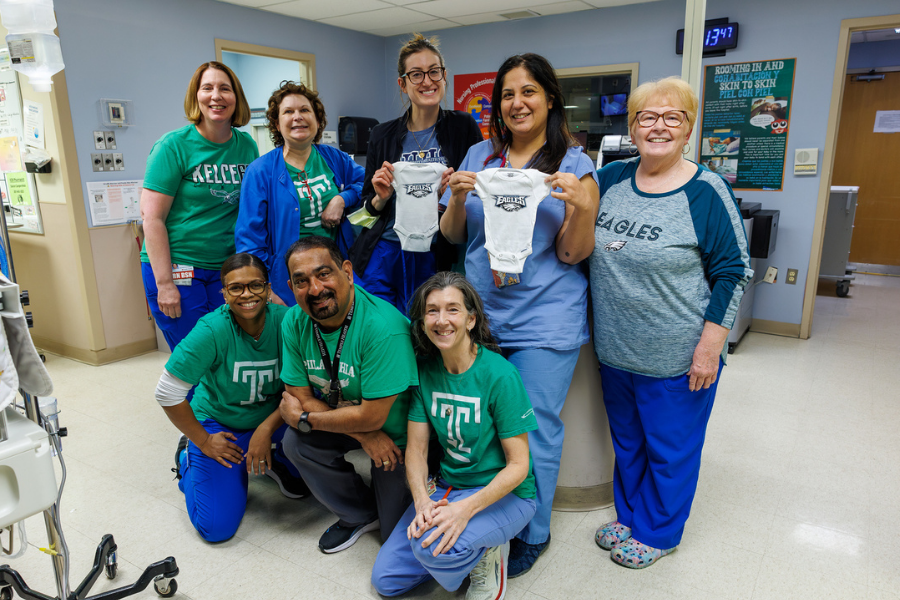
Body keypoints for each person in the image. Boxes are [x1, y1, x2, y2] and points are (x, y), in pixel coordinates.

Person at [440, 53, 599, 577]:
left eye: (529, 91)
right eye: (508, 94)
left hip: (544, 318)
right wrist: (458, 199)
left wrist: (583, 207)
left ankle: (535, 529)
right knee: (483, 424)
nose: (517, 102)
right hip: (480, 315)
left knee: (533, 430)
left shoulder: (574, 163)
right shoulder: (481, 155)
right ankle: (488, 514)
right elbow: (454, 236)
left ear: (550, 98)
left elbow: (574, 253)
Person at [589, 76, 753, 568]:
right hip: (616, 353)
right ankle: (631, 516)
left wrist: (709, 349)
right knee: (629, 444)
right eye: (646, 116)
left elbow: (734, 270)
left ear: (688, 127)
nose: (658, 126)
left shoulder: (706, 191)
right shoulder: (610, 179)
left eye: (672, 117)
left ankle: (659, 533)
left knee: (670, 450)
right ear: (632, 125)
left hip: (678, 357)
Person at [371, 272, 538, 600]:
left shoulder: (500, 375)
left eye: (453, 309)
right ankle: (456, 546)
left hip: (505, 494)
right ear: (421, 321)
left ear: (471, 319)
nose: (441, 320)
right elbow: (416, 452)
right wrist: (422, 502)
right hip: (448, 487)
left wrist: (466, 511)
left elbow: (519, 466)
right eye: (432, 311)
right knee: (386, 581)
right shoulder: (425, 370)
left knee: (433, 550)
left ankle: (487, 555)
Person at [277, 236, 420, 553]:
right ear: (291, 286)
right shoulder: (293, 321)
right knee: (296, 442)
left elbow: (373, 416)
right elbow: (297, 393)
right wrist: (365, 437)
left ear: (347, 271)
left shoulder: (383, 327)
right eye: (302, 281)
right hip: (356, 425)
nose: (315, 290)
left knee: (395, 542)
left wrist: (304, 417)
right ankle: (358, 514)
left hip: (396, 437)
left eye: (323, 274)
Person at [154, 253, 308, 543]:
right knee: (216, 528)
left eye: (255, 285)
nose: (246, 294)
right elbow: (166, 392)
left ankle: (274, 458)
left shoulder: (289, 321)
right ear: (223, 293)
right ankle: (188, 459)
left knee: (315, 438)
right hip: (222, 424)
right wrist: (202, 439)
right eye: (236, 287)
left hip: (275, 421)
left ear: (268, 287)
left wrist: (265, 429)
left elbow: (302, 390)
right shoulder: (211, 330)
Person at [348, 33, 483, 315]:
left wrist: (452, 196)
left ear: (444, 76)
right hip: (384, 251)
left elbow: (478, 195)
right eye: (417, 74)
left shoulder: (463, 127)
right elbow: (363, 213)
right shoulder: (382, 134)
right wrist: (380, 198)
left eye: (434, 71)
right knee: (383, 332)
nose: (427, 81)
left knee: (429, 331)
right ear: (403, 83)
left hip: (437, 252)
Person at [140, 61, 258, 351]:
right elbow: (152, 218)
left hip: (226, 268)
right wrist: (165, 284)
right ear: (196, 96)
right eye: (207, 88)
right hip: (180, 267)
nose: (216, 96)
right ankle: (193, 400)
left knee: (229, 350)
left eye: (225, 89)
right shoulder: (173, 146)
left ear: (236, 98)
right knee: (196, 355)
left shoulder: (247, 146)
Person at [236, 81, 365, 307]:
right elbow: (250, 239)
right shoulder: (260, 171)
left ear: (317, 119)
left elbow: (366, 182)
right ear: (277, 123)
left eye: (305, 110)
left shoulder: (334, 158)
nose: (298, 117)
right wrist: (263, 288)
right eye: (288, 112)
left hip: (334, 268)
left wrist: (341, 199)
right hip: (286, 280)